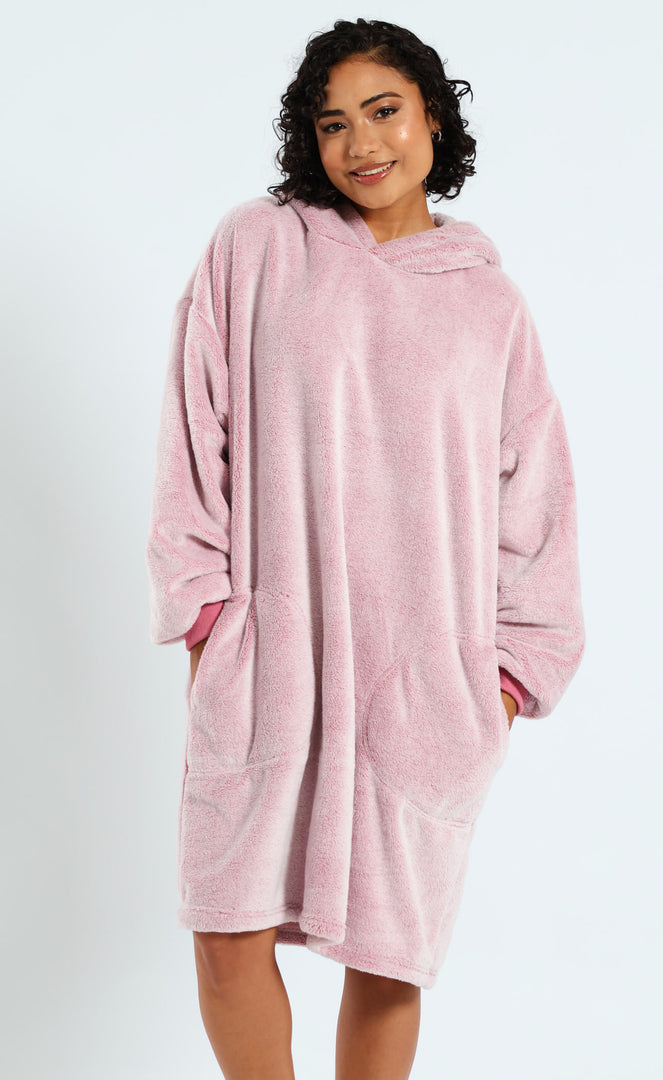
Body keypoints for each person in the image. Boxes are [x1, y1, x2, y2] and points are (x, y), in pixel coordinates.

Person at [145, 17, 586, 1080]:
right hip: (269, 662)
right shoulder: (258, 247)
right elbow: (193, 431)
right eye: (333, 123)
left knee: (388, 961)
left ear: (432, 114)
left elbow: (538, 507)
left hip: (420, 686)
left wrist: (503, 684)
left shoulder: (489, 306)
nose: (361, 144)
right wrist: (204, 614)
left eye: (383, 112)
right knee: (227, 937)